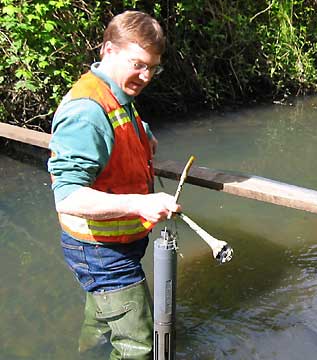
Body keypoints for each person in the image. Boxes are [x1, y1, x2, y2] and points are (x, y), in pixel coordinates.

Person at [47, 10, 180, 359]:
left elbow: (116, 130)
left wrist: (143, 133)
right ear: (108, 49)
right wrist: (140, 204)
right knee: (138, 345)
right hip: (99, 249)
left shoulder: (114, 92)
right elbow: (67, 196)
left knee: (103, 318)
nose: (146, 75)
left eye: (153, 67)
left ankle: (86, 353)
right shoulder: (86, 111)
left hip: (112, 242)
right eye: (137, 64)